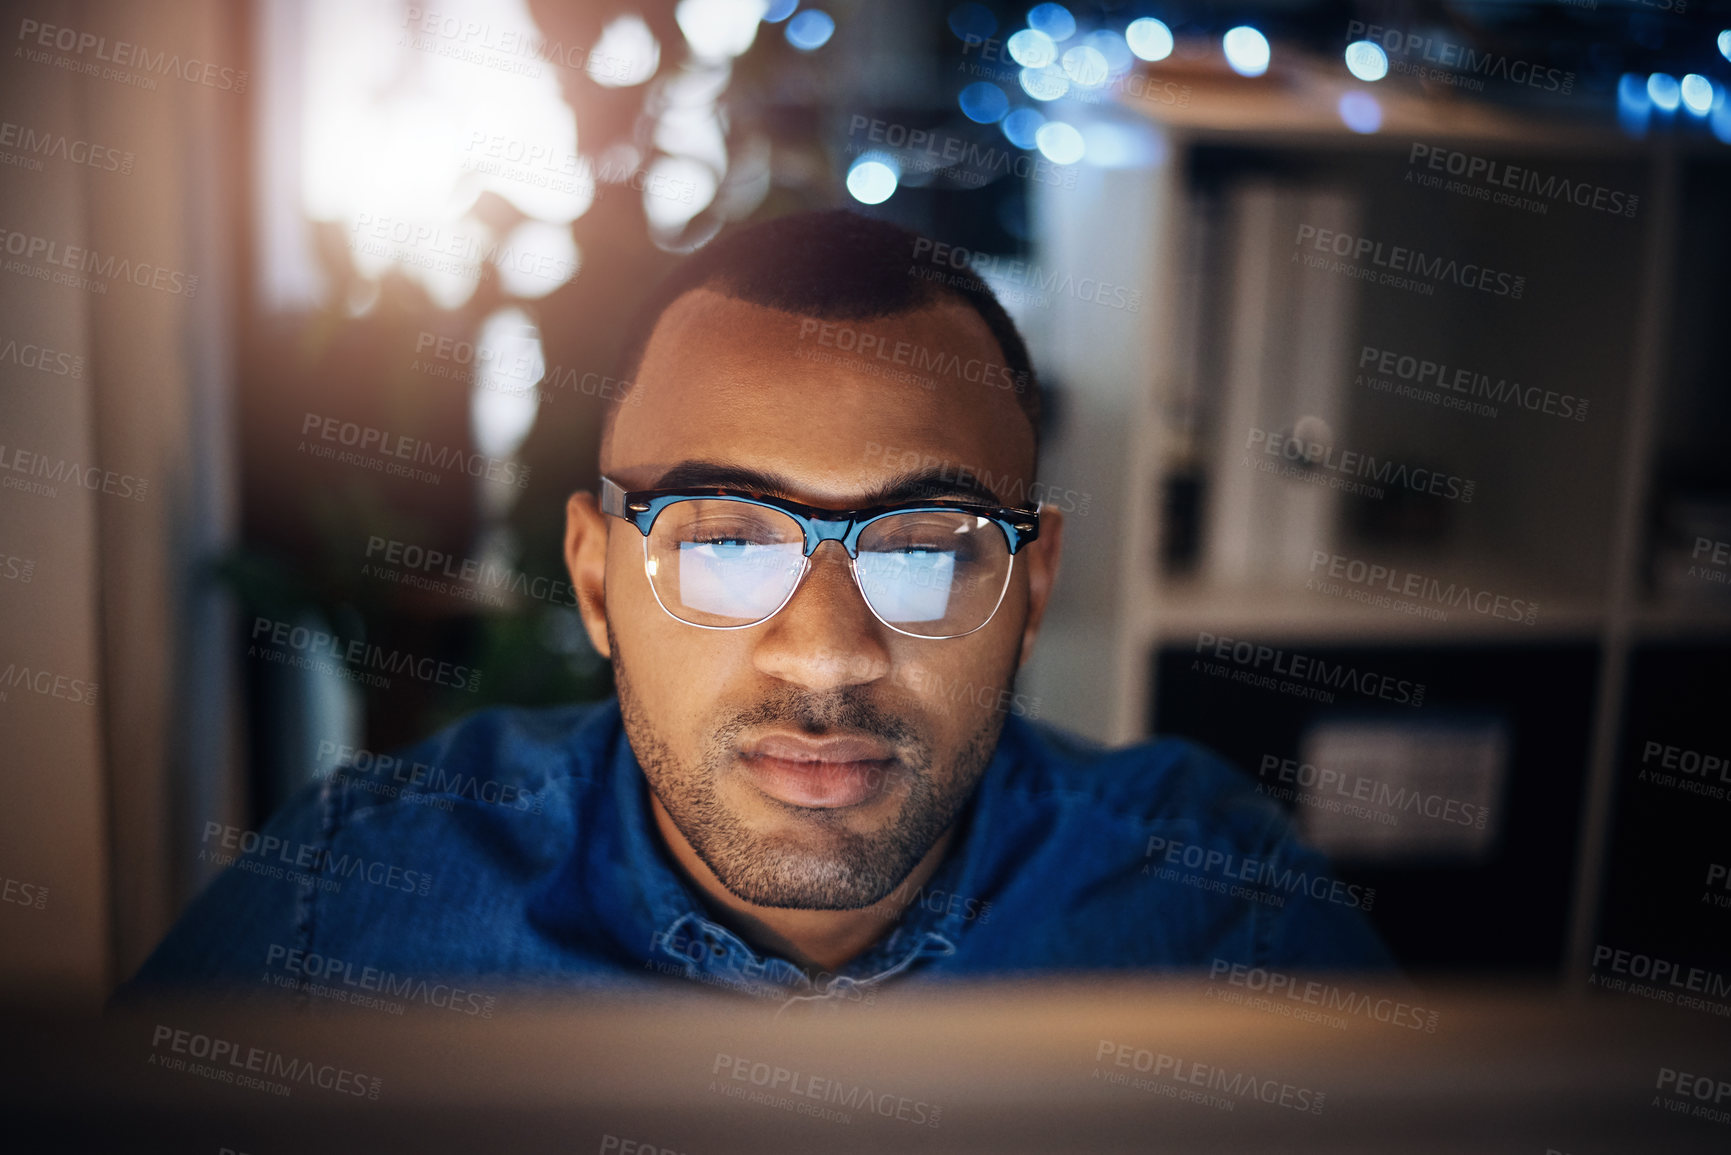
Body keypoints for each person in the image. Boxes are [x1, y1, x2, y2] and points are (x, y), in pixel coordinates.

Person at [126, 210, 1390, 1010]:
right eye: (728, 545)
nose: (827, 651)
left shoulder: (1218, 912)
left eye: (921, 552)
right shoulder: (348, 902)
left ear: (1034, 587)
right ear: (595, 580)